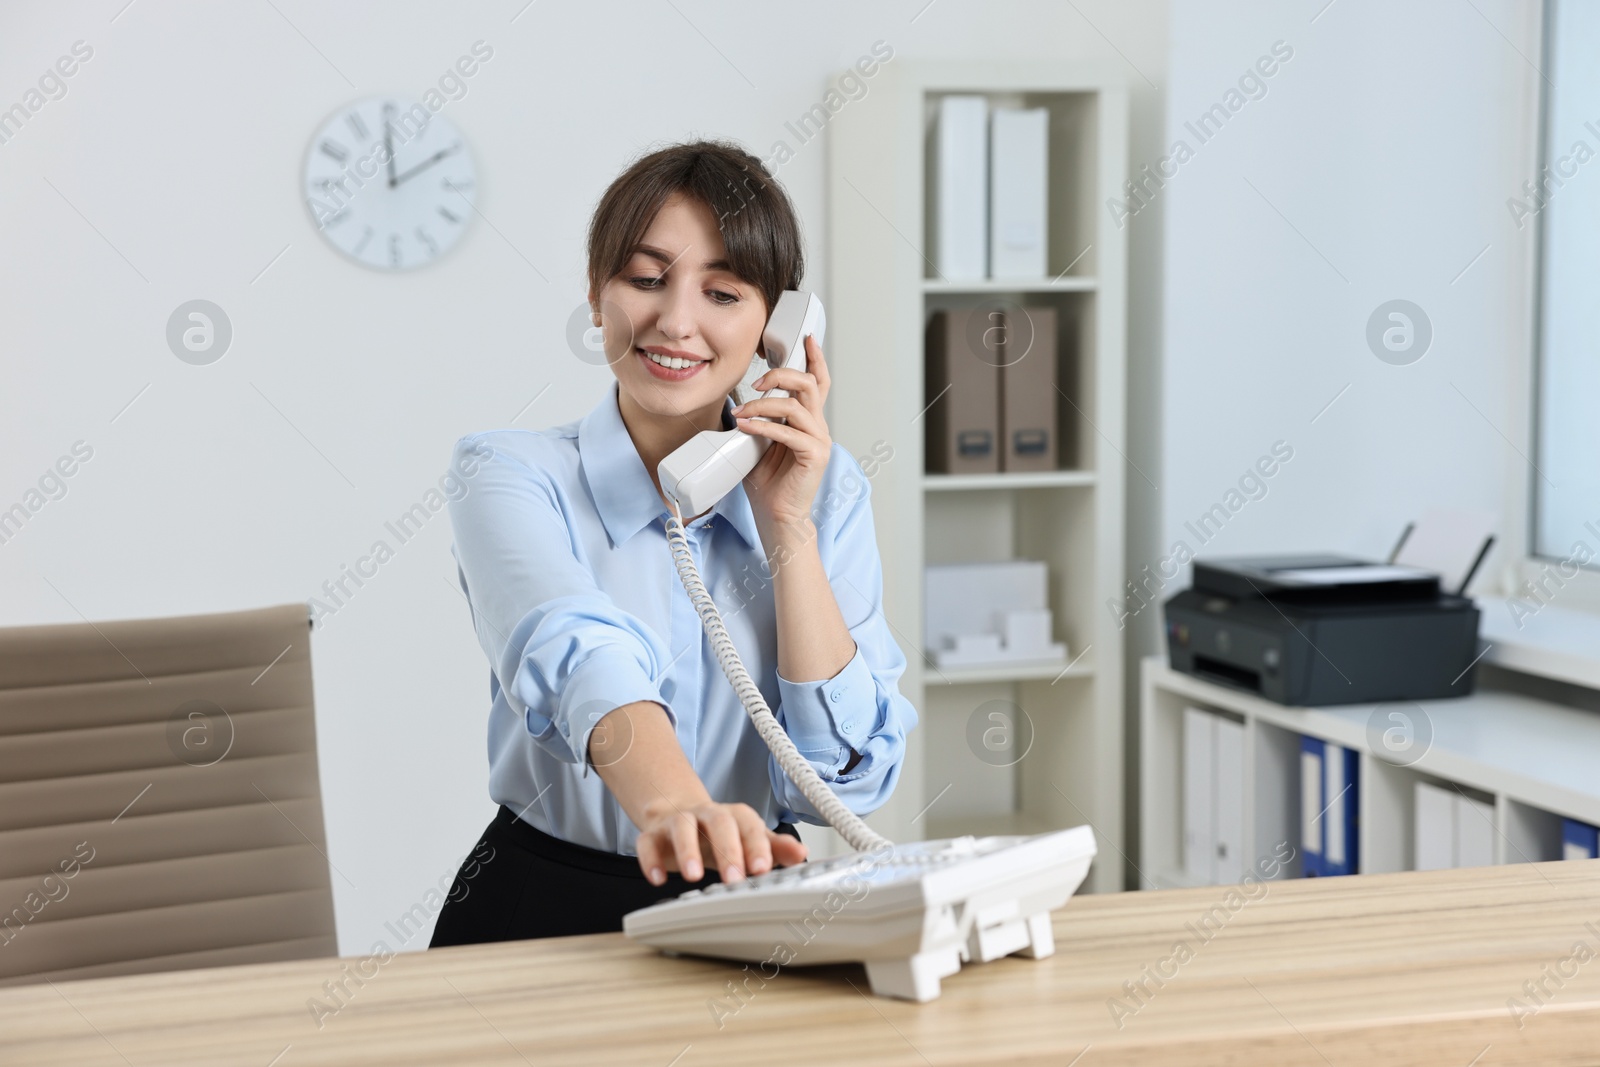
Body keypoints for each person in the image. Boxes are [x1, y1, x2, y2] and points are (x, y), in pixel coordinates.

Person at [428, 139, 917, 945]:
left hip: (754, 904)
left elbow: (847, 776)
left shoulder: (826, 490)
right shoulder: (508, 472)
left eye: (723, 292)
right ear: (596, 294)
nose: (676, 320)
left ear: (779, 327)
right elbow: (579, 649)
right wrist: (677, 806)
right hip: (548, 902)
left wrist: (785, 526)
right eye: (646, 279)